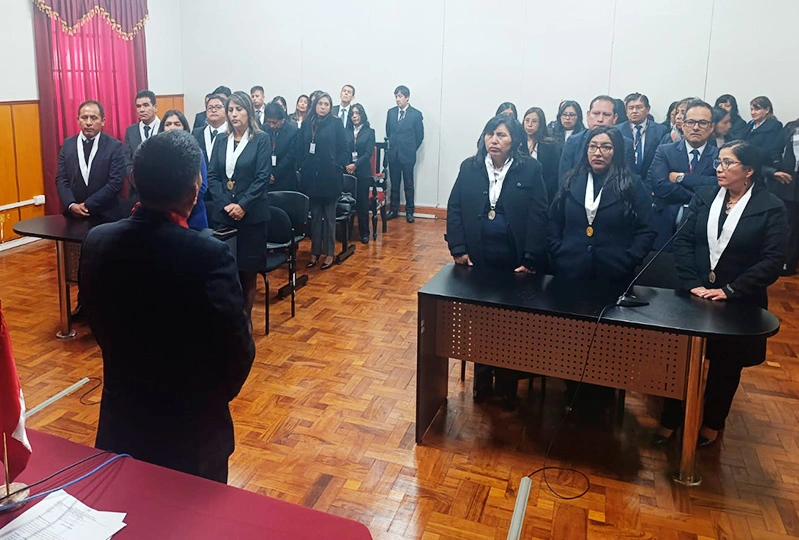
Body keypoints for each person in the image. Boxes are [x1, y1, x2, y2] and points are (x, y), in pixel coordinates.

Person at [80, 129, 255, 483]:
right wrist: (208, 398)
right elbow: (238, 351)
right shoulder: (208, 255)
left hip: (122, 420)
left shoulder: (97, 241)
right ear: (194, 190)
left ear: (134, 180)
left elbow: (96, 321)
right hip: (191, 432)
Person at [654, 141, 787, 447]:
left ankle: (712, 422)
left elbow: (772, 260)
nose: (719, 168)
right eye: (719, 162)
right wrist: (692, 282)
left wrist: (730, 290)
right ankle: (671, 418)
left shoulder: (770, 207)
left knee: (726, 365)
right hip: (695, 293)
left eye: (728, 163)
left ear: (749, 170)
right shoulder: (704, 196)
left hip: (739, 299)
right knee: (680, 359)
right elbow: (683, 242)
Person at [446, 114, 548, 408]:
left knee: (510, 326)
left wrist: (530, 257)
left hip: (514, 262)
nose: (494, 140)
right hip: (478, 260)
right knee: (481, 323)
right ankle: (482, 385)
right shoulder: (470, 166)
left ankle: (506, 386)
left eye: (501, 135)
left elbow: (539, 214)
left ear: (514, 140)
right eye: (490, 134)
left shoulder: (530, 169)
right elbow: (454, 207)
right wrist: (458, 248)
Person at [549, 125, 655, 283]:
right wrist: (558, 250)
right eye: (592, 146)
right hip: (569, 268)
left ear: (617, 151)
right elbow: (553, 221)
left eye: (606, 147)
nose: (597, 153)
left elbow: (647, 229)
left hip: (614, 272)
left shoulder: (632, 184)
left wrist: (630, 259)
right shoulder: (571, 181)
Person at [207, 91, 271, 321]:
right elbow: (213, 176)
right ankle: (229, 322)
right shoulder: (220, 139)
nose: (234, 114)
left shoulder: (261, 139)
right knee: (226, 272)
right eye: (231, 110)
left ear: (249, 112)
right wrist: (226, 204)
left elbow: (262, 178)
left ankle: (246, 322)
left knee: (247, 274)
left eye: (239, 109)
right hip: (225, 216)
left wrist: (242, 205)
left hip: (251, 217)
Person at [648, 99, 720, 249]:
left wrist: (682, 178)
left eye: (702, 123)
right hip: (665, 225)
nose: (696, 127)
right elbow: (660, 186)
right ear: (683, 124)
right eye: (691, 122)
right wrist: (699, 194)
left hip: (702, 229)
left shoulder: (719, 155)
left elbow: (718, 185)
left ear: (711, 127)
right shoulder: (665, 151)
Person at [297, 92, 349, 270]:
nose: (323, 107)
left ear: (330, 107)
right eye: (320, 104)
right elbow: (300, 146)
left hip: (330, 178)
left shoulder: (336, 123)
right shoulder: (308, 122)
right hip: (312, 178)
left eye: (327, 104)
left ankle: (329, 253)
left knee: (329, 218)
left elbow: (344, 148)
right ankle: (314, 253)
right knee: (315, 218)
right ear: (315, 105)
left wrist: (337, 165)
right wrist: (303, 164)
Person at [55, 100, 125, 222]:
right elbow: (61, 179)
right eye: (84, 118)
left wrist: (87, 205)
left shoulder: (114, 146)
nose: (88, 123)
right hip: (73, 214)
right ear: (78, 120)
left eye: (93, 118)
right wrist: (71, 205)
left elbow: (115, 183)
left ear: (103, 121)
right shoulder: (68, 145)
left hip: (105, 215)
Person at [744, 96, 791, 274]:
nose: (753, 112)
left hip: (765, 174)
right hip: (748, 170)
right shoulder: (749, 126)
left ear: (767, 110)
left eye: (757, 109)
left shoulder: (774, 127)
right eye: (751, 109)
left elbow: (771, 153)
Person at [559, 95, 635, 186]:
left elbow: (629, 180)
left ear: (615, 118)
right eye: (596, 113)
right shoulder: (573, 142)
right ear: (588, 115)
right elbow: (563, 179)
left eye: (606, 115)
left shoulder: (626, 144)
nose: (600, 119)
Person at [158, 109, 209, 229]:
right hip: (166, 215)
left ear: (184, 128)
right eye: (168, 124)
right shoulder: (157, 154)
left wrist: (182, 206)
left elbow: (202, 187)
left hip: (194, 214)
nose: (172, 127)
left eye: (177, 124)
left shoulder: (196, 152)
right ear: (162, 129)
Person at [385, 85, 424, 222]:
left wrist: (411, 148)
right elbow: (388, 132)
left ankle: (409, 211)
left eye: (400, 96)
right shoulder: (391, 112)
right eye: (396, 96)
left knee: (408, 184)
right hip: (393, 154)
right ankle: (393, 209)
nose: (397, 99)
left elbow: (419, 136)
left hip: (408, 155)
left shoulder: (416, 114)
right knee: (394, 184)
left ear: (407, 98)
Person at [616, 93, 669, 180]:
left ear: (647, 109)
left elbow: (662, 161)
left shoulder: (661, 130)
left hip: (651, 181)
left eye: (639, 107)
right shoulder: (618, 130)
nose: (634, 111)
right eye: (630, 108)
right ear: (626, 111)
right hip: (623, 180)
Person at [345, 103, 376, 244]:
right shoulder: (345, 131)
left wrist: (355, 165)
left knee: (362, 204)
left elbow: (368, 153)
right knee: (347, 202)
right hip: (348, 172)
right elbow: (343, 150)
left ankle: (364, 233)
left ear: (362, 115)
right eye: (352, 114)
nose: (354, 116)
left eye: (357, 113)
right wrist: (347, 166)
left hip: (362, 172)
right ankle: (346, 232)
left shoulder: (369, 132)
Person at [774, 117, 799, 275]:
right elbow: (776, 150)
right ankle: (786, 262)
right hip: (790, 185)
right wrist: (778, 166)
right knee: (789, 225)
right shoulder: (791, 127)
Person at [522, 107, 561, 202]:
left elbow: (553, 174)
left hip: (544, 191)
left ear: (541, 124)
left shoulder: (550, 145)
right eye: (527, 120)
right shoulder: (518, 143)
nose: (529, 124)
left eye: (534, 121)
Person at [263, 102, 300, 192]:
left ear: (282, 119)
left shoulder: (293, 131)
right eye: (269, 122)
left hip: (285, 179)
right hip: (266, 178)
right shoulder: (263, 130)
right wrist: (267, 174)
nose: (271, 125)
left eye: (274, 122)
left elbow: (291, 156)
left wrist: (275, 174)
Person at [122, 90, 160, 176]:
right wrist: (133, 178)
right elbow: (127, 160)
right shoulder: (130, 131)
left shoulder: (164, 128)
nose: (142, 110)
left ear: (155, 107)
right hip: (137, 181)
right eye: (138, 106)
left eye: (146, 105)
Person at [192, 94, 228, 164]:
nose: (213, 110)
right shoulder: (197, 133)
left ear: (226, 110)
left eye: (218, 107)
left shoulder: (232, 132)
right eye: (210, 107)